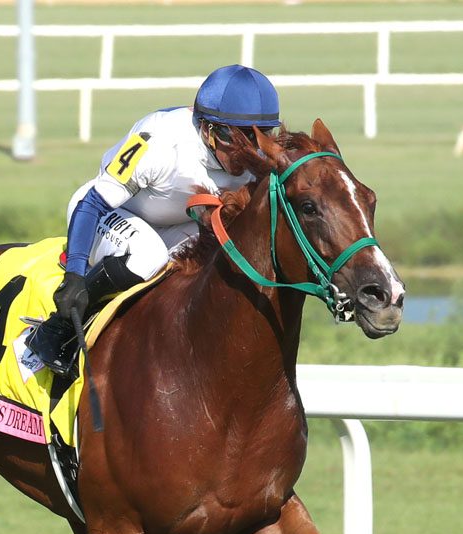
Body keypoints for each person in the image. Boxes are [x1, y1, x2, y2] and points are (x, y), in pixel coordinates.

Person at [25, 64, 282, 377]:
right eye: (234, 137)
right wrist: (76, 273)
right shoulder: (159, 140)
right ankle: (56, 330)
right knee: (150, 256)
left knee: (217, 258)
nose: (245, 152)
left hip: (173, 224)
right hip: (105, 213)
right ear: (207, 128)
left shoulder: (259, 159)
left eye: (258, 137)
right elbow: (93, 203)